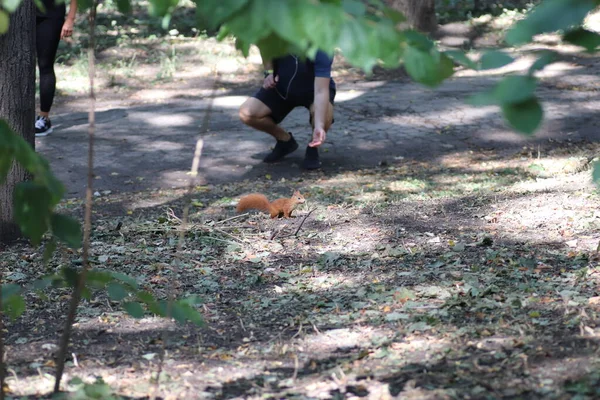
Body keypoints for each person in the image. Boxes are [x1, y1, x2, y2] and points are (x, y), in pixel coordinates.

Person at [239, 51, 336, 170]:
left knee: (324, 113)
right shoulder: (280, 33)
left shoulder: (322, 46)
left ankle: (313, 146)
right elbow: (264, 43)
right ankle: (285, 141)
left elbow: (321, 90)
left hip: (314, 91)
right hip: (281, 87)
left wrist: (319, 125)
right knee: (247, 113)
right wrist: (268, 72)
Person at [35, 0, 77, 137]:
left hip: (50, 15)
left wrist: (70, 19)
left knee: (45, 65)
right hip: (19, 15)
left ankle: (44, 118)